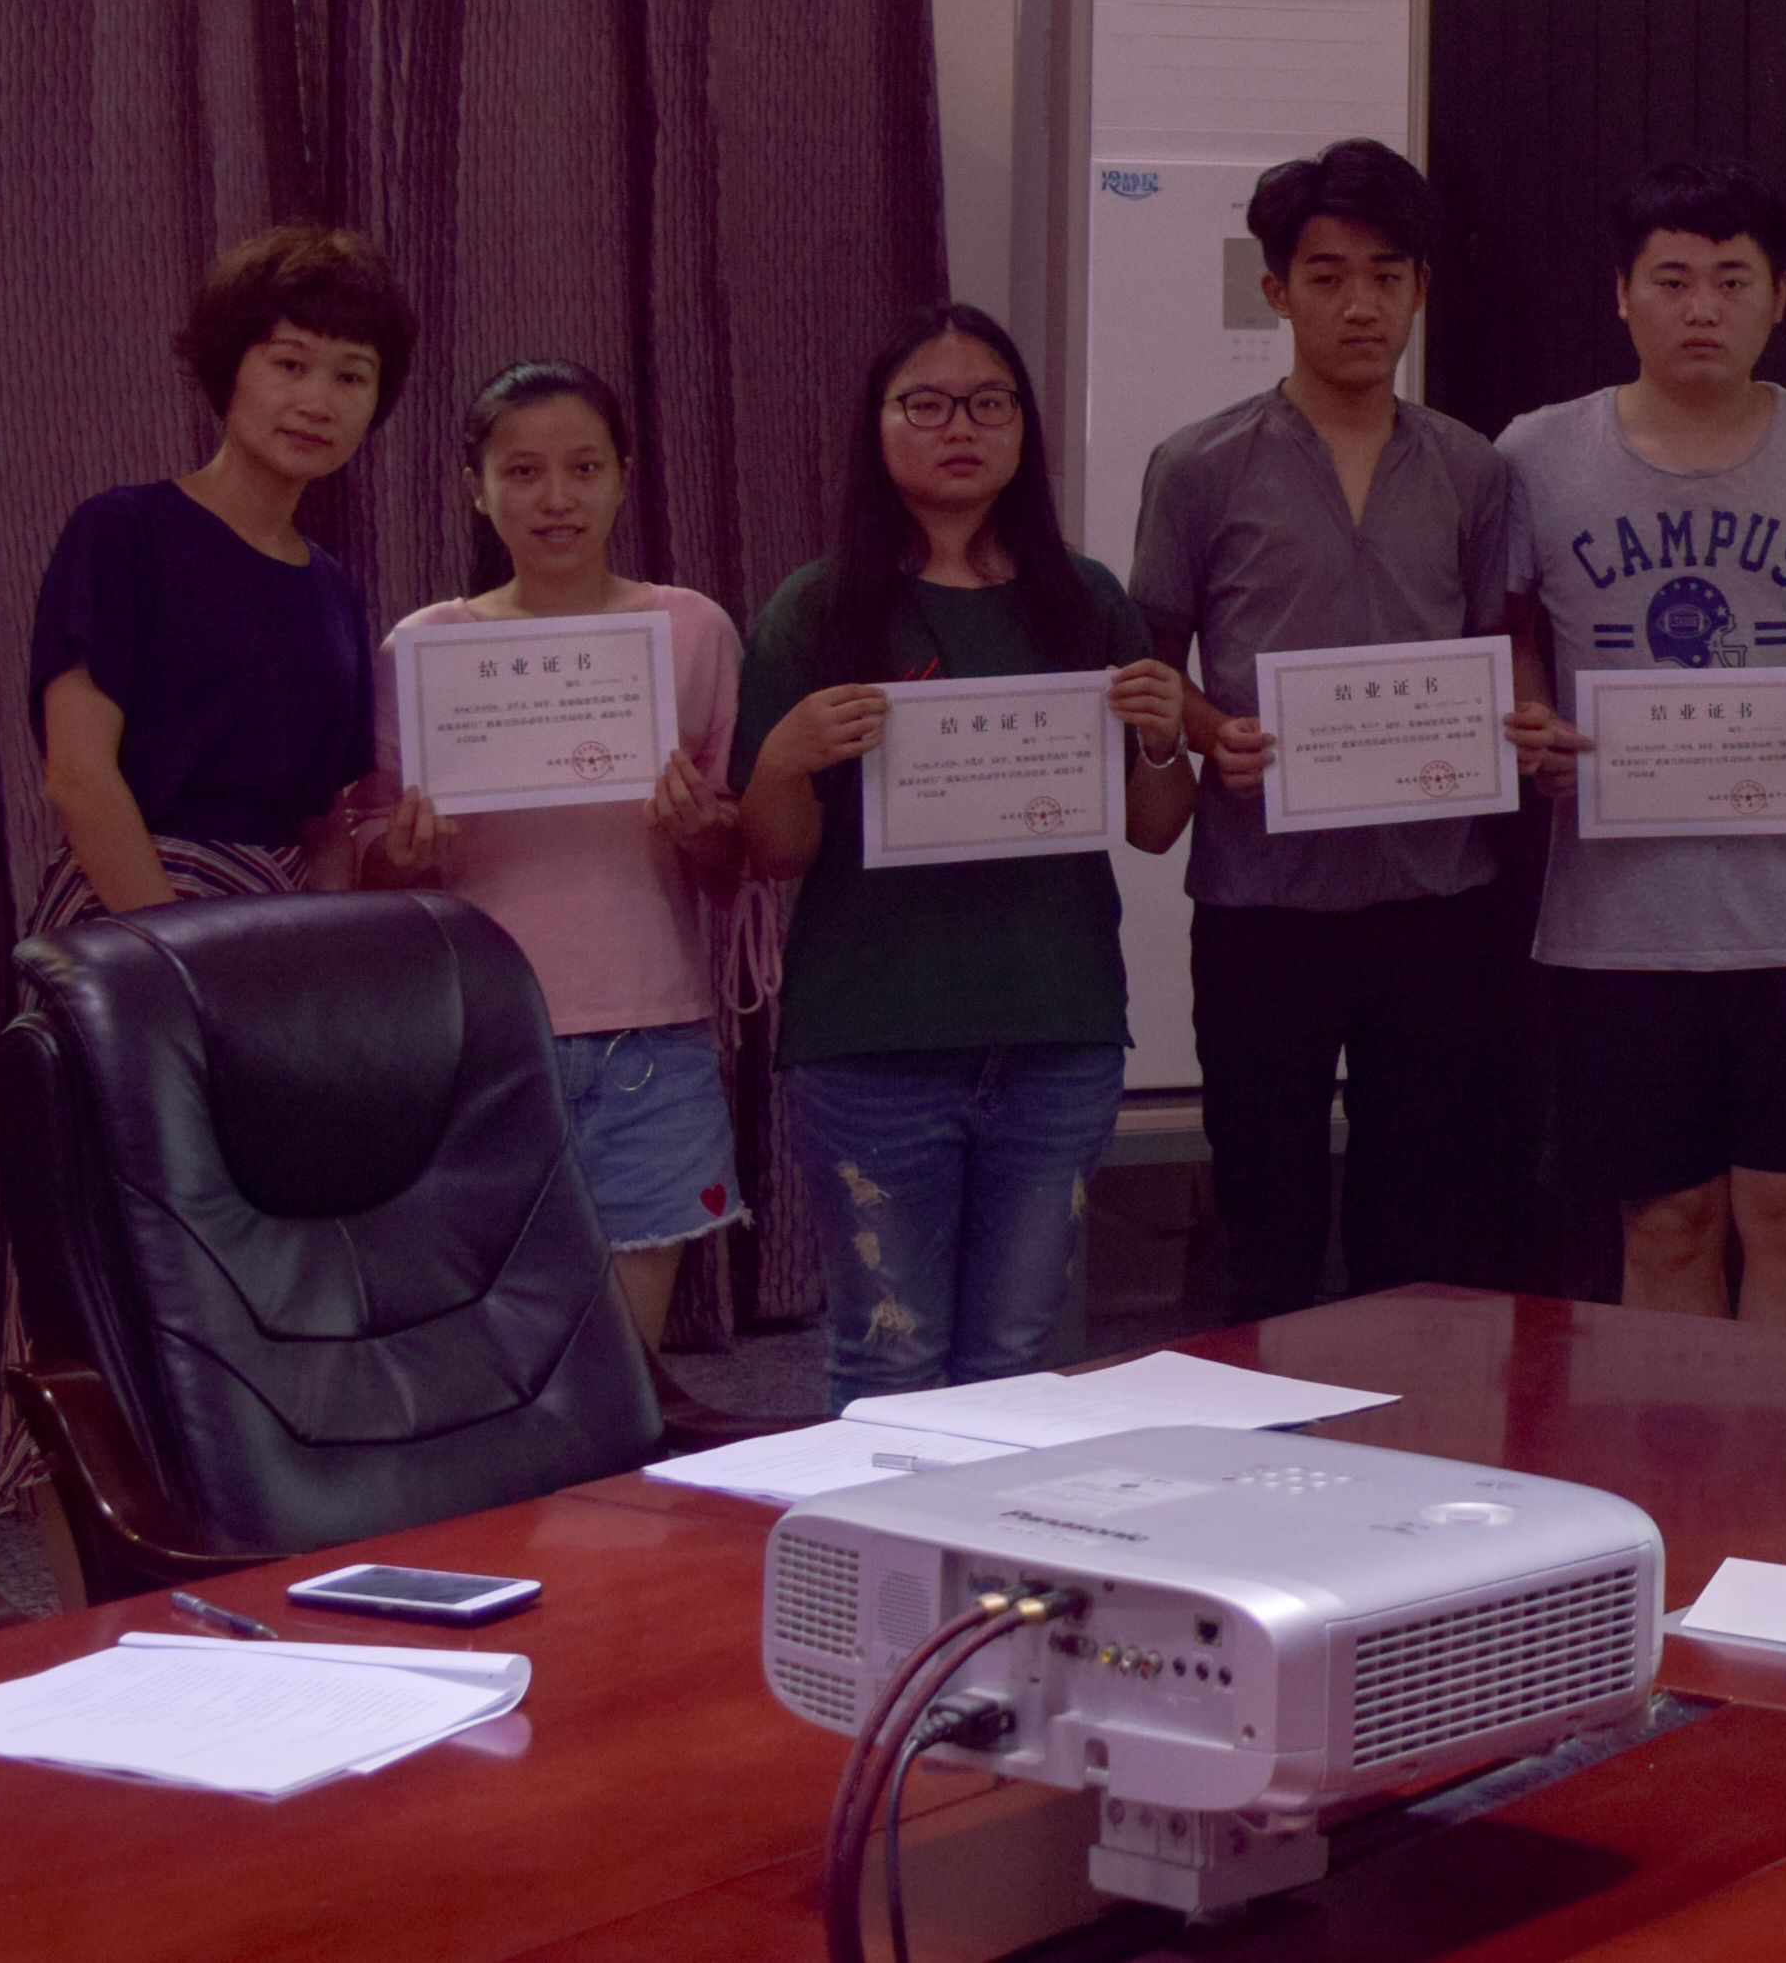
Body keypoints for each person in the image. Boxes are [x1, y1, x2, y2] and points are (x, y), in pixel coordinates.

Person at [731, 305, 1200, 1405]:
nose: (961, 427)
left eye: (989, 403)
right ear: (877, 426)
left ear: (1023, 428)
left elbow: (1154, 824)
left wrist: (1162, 737)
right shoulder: (818, 607)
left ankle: (994, 1534)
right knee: (888, 1357)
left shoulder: (1084, 597)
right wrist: (785, 759)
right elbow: (777, 852)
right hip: (873, 1035)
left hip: (1054, 1028)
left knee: (1017, 1361)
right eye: (927, 405)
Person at [1495, 157, 1786, 1330]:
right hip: (1621, 920)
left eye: (1732, 281)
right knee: (1665, 1220)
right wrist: (1527, 718)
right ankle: (1676, 1452)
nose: (1701, 307)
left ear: (1779, 297)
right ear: (1620, 293)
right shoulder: (1535, 452)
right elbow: (1508, 634)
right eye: (1671, 279)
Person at [1132, 141, 1526, 1322]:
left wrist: (1518, 722)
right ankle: (1260, 1427)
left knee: (1418, 1222)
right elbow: (1152, 666)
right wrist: (1216, 732)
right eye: (1327, 275)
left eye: (1387, 275)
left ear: (1419, 288)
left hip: (1434, 896)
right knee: (1268, 1217)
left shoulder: (1472, 468)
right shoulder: (1197, 467)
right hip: (1262, 898)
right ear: (1276, 291)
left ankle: (1406, 1425)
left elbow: (1497, 648)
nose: (1360, 304)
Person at [363, 361, 747, 1359]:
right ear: (476, 488)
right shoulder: (426, 649)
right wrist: (403, 854)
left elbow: (732, 863)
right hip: (480, 1035)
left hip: (650, 1032)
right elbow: (372, 873)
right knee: (492, 1347)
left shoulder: (691, 629)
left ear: (623, 477)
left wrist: (698, 825)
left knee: (625, 1360)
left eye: (583, 467)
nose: (556, 497)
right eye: (523, 471)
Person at [29, 224, 422, 925]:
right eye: (290, 365)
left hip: (277, 927)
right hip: (135, 913)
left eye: (351, 377)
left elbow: (323, 821)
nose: (318, 402)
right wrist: (183, 950)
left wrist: (325, 947)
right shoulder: (124, 531)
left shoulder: (334, 589)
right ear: (230, 367)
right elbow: (79, 778)